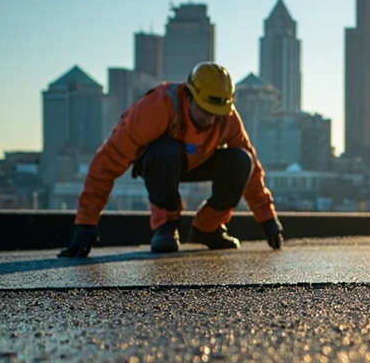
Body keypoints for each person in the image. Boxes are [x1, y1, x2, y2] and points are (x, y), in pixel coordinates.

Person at [58, 62, 283, 256]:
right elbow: (107, 162)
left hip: (199, 161)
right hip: (161, 163)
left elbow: (253, 171)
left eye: (216, 113)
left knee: (242, 161)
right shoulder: (157, 108)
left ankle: (207, 229)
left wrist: (267, 217)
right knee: (165, 151)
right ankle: (165, 227)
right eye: (205, 111)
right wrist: (86, 221)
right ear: (189, 96)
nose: (210, 119)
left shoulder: (226, 116)